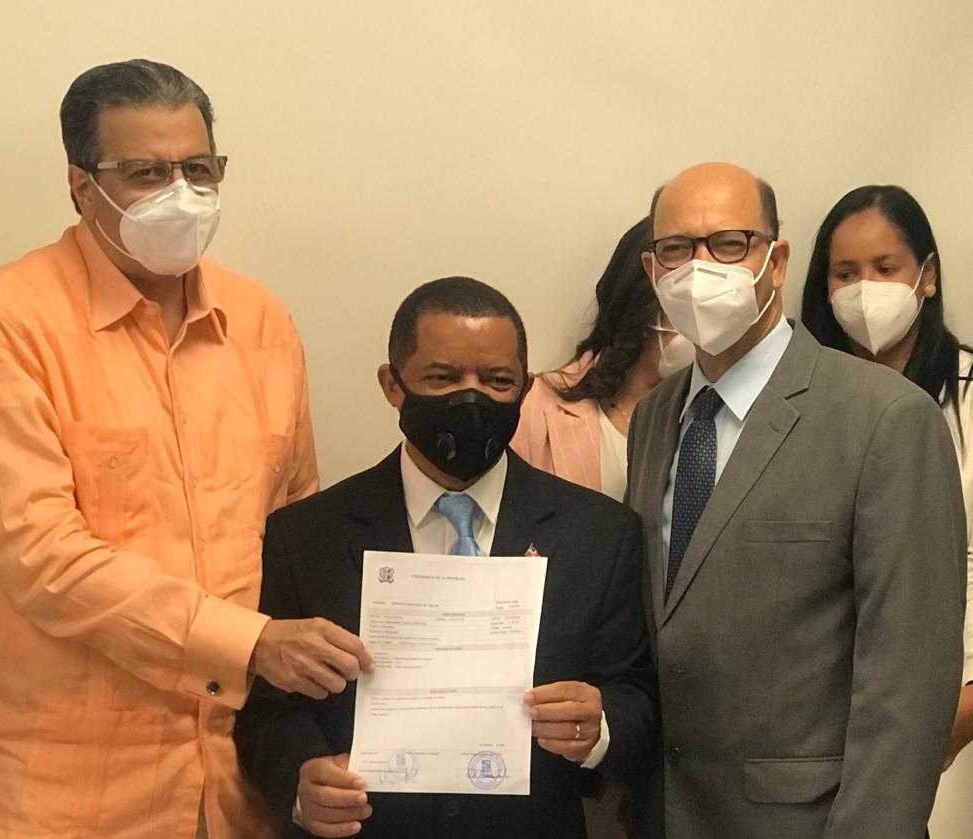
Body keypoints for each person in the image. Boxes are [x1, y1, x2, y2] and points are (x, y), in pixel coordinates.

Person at [0, 59, 371, 839]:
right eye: (146, 173)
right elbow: (42, 557)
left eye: (198, 169)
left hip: (238, 781)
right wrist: (249, 643)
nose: (181, 193)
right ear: (82, 186)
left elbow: (295, 533)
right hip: (64, 792)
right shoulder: (10, 319)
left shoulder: (262, 322)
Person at [234, 277, 659, 839]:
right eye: (442, 378)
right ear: (392, 384)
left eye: (497, 381)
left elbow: (636, 692)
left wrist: (598, 726)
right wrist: (298, 780)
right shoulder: (306, 535)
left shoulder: (600, 533)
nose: (471, 398)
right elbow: (267, 706)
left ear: (525, 388)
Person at [625, 162, 965, 838]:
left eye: (729, 244)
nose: (700, 267)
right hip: (665, 814)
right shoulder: (655, 417)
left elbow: (909, 679)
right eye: (677, 248)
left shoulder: (885, 417)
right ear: (651, 268)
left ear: (776, 262)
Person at [800, 184, 973, 770]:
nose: (865, 289)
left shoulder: (967, 396)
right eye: (845, 273)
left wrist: (955, 719)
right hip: (814, 717)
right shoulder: (798, 399)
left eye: (885, 267)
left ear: (928, 275)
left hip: (951, 711)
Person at [512, 219, 694, 501]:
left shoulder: (713, 416)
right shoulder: (538, 408)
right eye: (685, 307)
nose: (702, 328)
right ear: (639, 304)